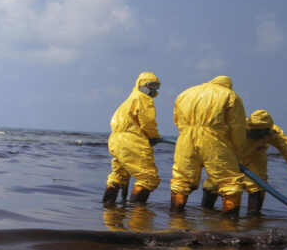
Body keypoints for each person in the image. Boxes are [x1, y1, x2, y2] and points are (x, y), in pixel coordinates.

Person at [200, 110, 287, 214]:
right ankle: (206, 212)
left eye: (261, 133)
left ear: (268, 130)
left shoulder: (273, 132)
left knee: (257, 186)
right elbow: (213, 143)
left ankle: (253, 217)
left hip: (255, 158)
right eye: (254, 132)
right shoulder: (237, 128)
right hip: (230, 157)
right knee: (214, 183)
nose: (257, 136)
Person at [169, 75, 247, 215]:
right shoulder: (230, 95)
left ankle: (175, 220)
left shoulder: (185, 93)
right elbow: (237, 127)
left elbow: (177, 120)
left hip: (185, 139)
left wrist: (188, 134)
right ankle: (229, 227)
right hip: (214, 140)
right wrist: (236, 149)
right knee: (229, 183)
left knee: (181, 180)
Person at [103, 72, 163, 205]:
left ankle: (108, 209)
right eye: (150, 85)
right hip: (131, 140)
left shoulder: (130, 99)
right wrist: (154, 137)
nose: (153, 89)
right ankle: (137, 216)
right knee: (148, 177)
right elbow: (147, 122)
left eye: (156, 86)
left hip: (115, 141)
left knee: (119, 176)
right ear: (141, 84)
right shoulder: (143, 98)